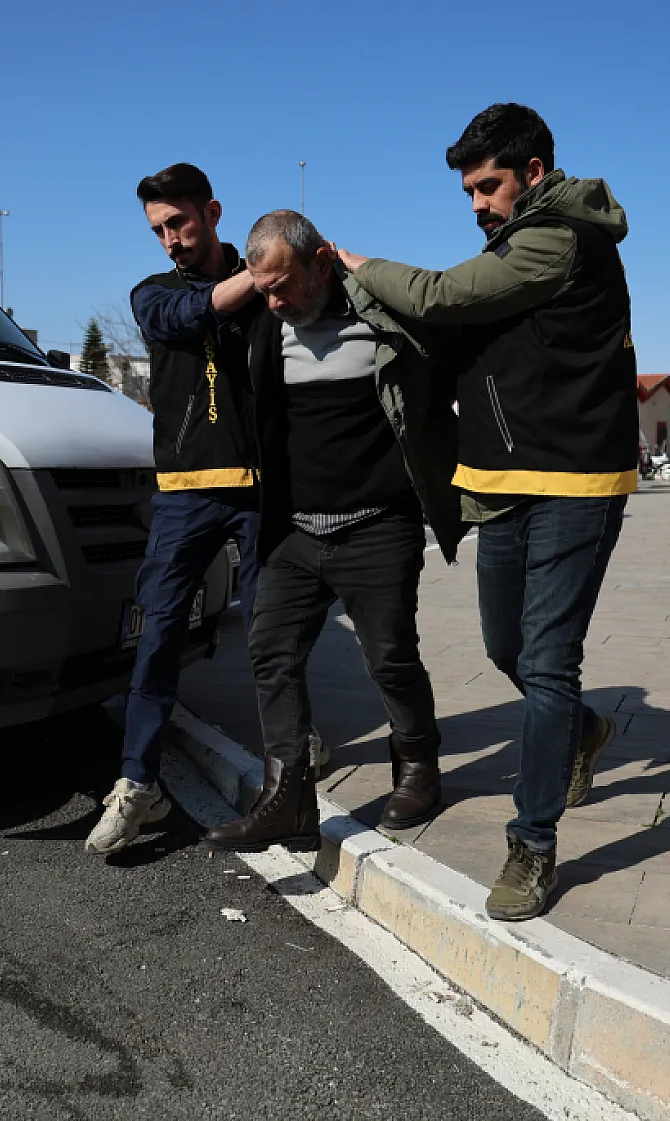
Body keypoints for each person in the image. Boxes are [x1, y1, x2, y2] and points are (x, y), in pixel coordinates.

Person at [337, 104, 639, 920]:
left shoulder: (557, 238)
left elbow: (438, 295)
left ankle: (532, 844)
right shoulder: (515, 244)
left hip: (576, 484)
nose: (476, 202)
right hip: (504, 481)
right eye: (468, 190)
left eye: (488, 185)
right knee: (506, 646)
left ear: (532, 173)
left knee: (547, 660)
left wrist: (354, 264)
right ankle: (581, 731)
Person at [204, 211, 464, 852]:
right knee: (271, 654)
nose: (273, 300)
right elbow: (177, 319)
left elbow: (451, 335)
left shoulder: (383, 315)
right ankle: (288, 799)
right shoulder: (262, 324)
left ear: (321, 262)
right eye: (261, 288)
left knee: (390, 658)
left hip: (378, 527)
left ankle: (418, 766)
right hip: (293, 533)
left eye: (282, 285)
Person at [86, 163, 264, 855]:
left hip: (261, 488)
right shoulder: (153, 293)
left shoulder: (265, 284)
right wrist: (262, 273)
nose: (170, 240)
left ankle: (294, 748)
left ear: (212, 213)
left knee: (276, 632)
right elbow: (185, 317)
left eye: (179, 224)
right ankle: (138, 784)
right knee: (157, 633)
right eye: (158, 230)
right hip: (187, 491)